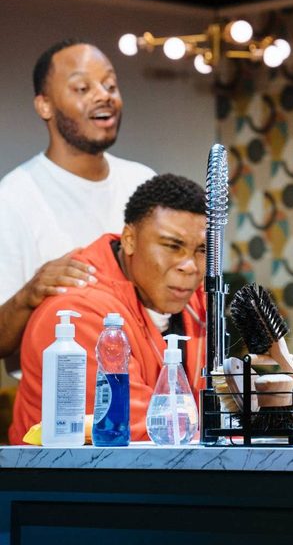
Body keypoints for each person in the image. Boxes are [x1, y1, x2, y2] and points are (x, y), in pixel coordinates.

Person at [9, 174, 206, 444]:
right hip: (65, 482)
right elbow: (141, 428)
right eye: (173, 246)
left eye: (202, 250)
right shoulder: (77, 312)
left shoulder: (197, 300)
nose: (190, 266)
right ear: (129, 240)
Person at [0, 40, 154, 365]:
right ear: (44, 106)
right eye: (83, 87)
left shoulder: (143, 183)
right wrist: (30, 295)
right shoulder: (13, 198)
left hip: (146, 392)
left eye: (110, 84)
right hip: (52, 405)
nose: (104, 95)